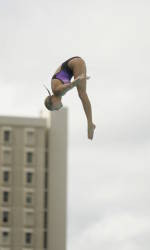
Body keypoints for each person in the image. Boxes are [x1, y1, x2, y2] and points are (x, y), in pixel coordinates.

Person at [44, 56, 96, 140]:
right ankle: (90, 123)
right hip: (74, 63)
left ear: (53, 101)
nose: (57, 109)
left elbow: (68, 86)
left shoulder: (58, 92)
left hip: (75, 63)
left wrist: (77, 81)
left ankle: (90, 124)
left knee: (82, 94)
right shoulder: (56, 90)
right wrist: (76, 81)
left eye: (55, 108)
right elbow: (66, 84)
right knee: (82, 94)